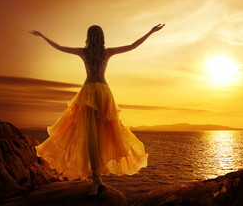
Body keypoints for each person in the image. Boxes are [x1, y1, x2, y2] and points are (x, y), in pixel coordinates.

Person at [29, 23, 165, 196]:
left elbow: (60, 47)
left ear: (89, 37)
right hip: (101, 93)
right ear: (102, 37)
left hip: (91, 94)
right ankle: (97, 179)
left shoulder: (87, 52)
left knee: (93, 136)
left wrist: (42, 35)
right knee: (96, 136)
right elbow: (132, 46)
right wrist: (151, 31)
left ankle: (96, 179)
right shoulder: (104, 52)